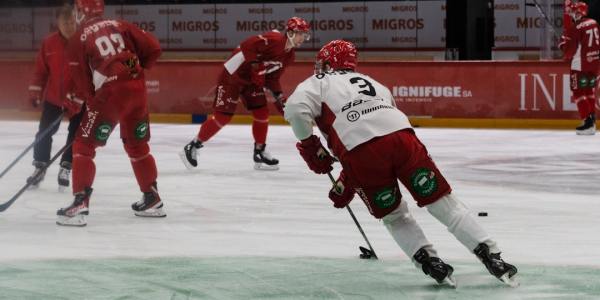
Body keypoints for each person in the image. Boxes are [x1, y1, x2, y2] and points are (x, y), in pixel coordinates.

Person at [284, 40, 518, 286]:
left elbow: (296, 110)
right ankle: (491, 255)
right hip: (404, 139)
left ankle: (430, 262)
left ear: (328, 62)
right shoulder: (375, 84)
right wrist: (347, 180)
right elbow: (380, 131)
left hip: (360, 153)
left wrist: (310, 146)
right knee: (441, 201)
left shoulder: (318, 82)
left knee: (395, 215)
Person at [56, 0, 164, 226]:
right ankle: (152, 197)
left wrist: (87, 98)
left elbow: (83, 83)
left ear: (80, 12)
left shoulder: (78, 39)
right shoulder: (121, 24)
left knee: (83, 146)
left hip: (111, 95)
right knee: (137, 146)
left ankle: (80, 203)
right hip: (137, 90)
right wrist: (135, 70)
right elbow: (154, 48)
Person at [180, 17, 311, 171]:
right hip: (232, 76)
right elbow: (247, 45)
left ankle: (259, 152)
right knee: (223, 117)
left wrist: (279, 96)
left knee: (262, 112)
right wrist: (256, 66)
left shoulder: (289, 56)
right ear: (289, 32)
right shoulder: (274, 40)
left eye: (305, 34)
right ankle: (193, 146)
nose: (303, 37)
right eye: (300, 33)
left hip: (251, 81)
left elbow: (272, 78)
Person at [27, 3, 83, 191]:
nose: (69, 26)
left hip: (78, 99)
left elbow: (88, 74)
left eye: (71, 22)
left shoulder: (83, 42)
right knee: (43, 132)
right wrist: (36, 91)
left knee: (74, 135)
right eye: (64, 22)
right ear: (58, 23)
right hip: (53, 99)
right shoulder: (49, 43)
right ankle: (40, 167)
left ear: (76, 20)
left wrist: (77, 96)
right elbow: (41, 72)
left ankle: (66, 167)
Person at [559, 1, 599, 135]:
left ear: (577, 12)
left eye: (571, 11)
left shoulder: (575, 27)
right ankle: (592, 121)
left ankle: (587, 122)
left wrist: (562, 45)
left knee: (578, 92)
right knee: (589, 90)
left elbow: (568, 53)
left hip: (579, 65)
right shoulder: (594, 22)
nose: (570, 14)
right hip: (594, 64)